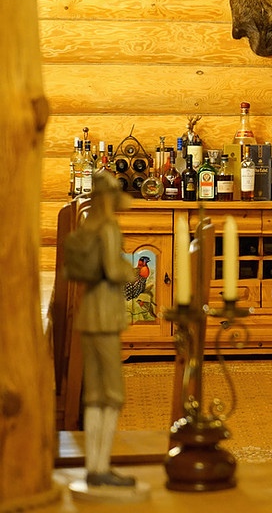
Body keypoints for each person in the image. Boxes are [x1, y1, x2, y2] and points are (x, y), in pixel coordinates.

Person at [71, 170, 139, 488]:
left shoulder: (87, 224)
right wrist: (130, 269)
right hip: (107, 315)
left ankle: (93, 467)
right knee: (112, 395)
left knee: (94, 394)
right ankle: (101, 466)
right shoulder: (109, 227)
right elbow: (113, 270)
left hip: (88, 314)